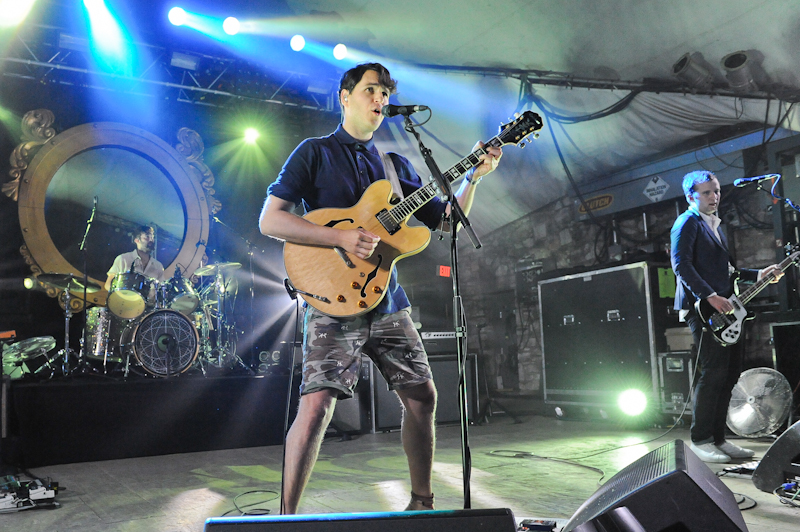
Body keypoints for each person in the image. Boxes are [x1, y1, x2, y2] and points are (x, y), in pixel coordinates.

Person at [259, 62, 502, 513]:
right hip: (333, 298)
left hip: (388, 301)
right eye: (371, 89)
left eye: (386, 92)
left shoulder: (394, 165)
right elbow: (270, 219)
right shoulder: (314, 152)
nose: (381, 99)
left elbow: (445, 221)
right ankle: (285, 519)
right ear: (345, 96)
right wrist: (339, 236)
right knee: (315, 409)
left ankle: (422, 503)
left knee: (424, 397)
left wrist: (474, 178)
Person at [671, 170, 783, 463]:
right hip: (703, 308)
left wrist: (759, 274)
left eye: (716, 191)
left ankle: (719, 439)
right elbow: (681, 265)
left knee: (730, 373)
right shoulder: (687, 222)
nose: (714, 197)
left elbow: (729, 272)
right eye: (707, 192)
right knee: (712, 374)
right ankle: (701, 440)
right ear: (690, 197)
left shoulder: (717, 227)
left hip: (725, 308)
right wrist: (709, 295)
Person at [105, 225, 165, 291]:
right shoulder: (123, 259)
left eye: (152, 237)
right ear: (137, 240)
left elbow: (161, 291)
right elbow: (108, 284)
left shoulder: (158, 266)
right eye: (147, 237)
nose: (151, 240)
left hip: (146, 301)